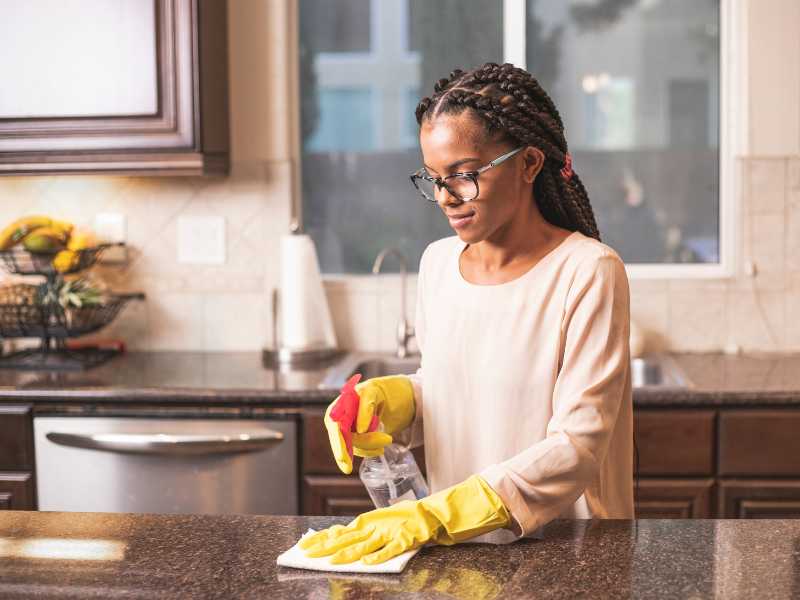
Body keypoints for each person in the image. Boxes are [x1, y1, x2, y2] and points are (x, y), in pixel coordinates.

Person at [301, 62, 633, 565]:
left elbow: (576, 449)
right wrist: (390, 401)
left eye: (464, 175)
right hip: (462, 556)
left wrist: (436, 515)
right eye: (433, 178)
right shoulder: (438, 264)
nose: (445, 197)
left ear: (528, 164)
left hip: (569, 555)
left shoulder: (587, 270)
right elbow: (447, 390)